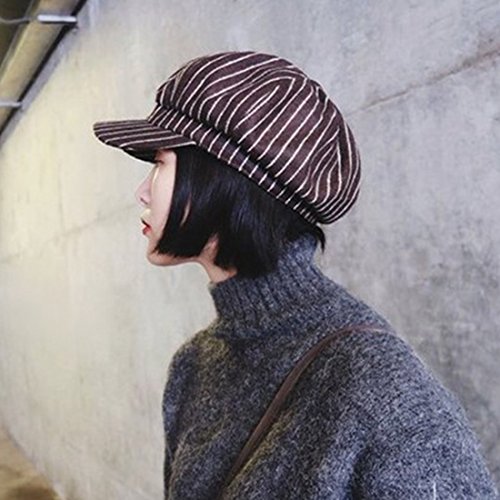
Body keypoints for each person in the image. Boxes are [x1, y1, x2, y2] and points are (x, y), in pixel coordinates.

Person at [92, 51, 498, 499]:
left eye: (161, 163)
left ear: (227, 178)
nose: (142, 192)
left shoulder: (380, 387)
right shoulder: (193, 366)